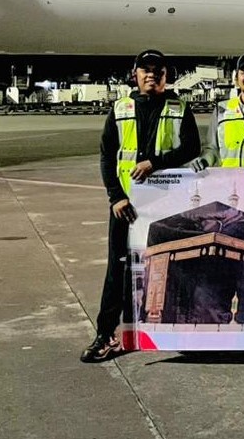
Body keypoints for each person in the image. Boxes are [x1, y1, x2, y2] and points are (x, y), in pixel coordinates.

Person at [81, 49, 200, 363]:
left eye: (158, 70)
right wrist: (115, 196)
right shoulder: (120, 108)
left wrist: (155, 163)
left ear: (166, 76)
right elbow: (108, 155)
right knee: (117, 271)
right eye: (145, 70)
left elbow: (192, 147)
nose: (152, 75)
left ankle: (173, 330)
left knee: (171, 267)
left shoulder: (179, 108)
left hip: (166, 205)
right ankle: (106, 334)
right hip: (128, 206)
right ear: (135, 74)